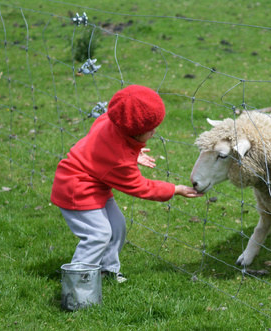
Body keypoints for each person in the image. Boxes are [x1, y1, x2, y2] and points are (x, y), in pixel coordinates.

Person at [50, 85, 203, 283]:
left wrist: (133, 152)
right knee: (98, 234)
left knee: (117, 226)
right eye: (149, 130)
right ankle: (77, 283)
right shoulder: (119, 160)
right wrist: (175, 189)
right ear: (133, 132)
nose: (154, 132)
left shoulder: (110, 119)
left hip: (94, 183)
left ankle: (107, 271)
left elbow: (114, 145)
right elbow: (141, 187)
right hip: (75, 188)